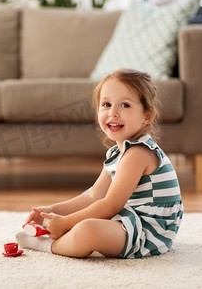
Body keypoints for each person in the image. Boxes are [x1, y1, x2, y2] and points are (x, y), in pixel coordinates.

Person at [16, 69, 183, 259]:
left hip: (149, 232)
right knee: (86, 221)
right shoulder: (117, 153)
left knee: (88, 230)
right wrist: (51, 210)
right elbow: (94, 196)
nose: (113, 113)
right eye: (106, 104)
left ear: (147, 116)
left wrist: (66, 222)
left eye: (125, 105)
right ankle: (63, 237)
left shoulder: (138, 153)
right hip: (129, 221)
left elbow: (110, 205)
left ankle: (48, 245)